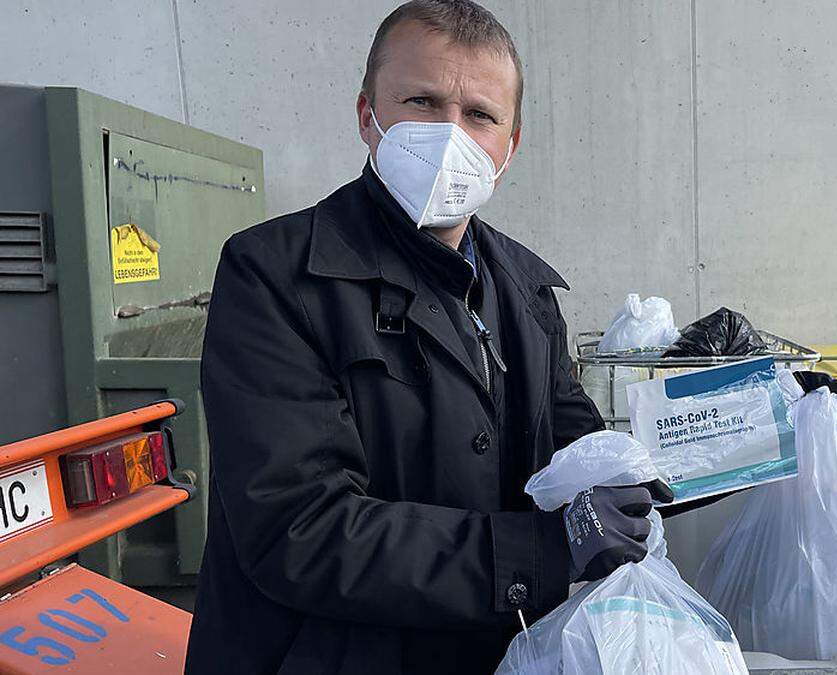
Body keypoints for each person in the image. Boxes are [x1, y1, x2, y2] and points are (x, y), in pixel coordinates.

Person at [184, 2, 671, 672]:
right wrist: (546, 550)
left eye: (479, 115)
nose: (451, 135)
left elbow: (573, 443)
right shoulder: (275, 275)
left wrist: (714, 445)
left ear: (509, 146)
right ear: (368, 116)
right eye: (422, 101)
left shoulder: (526, 289)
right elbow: (299, 526)